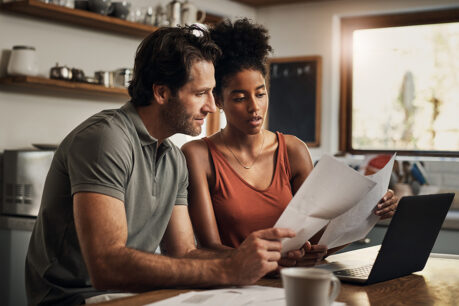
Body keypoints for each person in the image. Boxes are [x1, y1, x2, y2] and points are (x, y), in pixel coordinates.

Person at [25, 25, 296, 305]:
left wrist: (264, 259)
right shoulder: (105, 138)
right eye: (200, 93)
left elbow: (185, 253)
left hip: (137, 295)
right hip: (73, 298)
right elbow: (107, 265)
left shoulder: (173, 158)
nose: (212, 107)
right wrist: (229, 269)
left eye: (212, 93)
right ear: (162, 93)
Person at [182, 19, 399, 267]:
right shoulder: (198, 155)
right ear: (218, 100)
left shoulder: (293, 150)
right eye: (240, 98)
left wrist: (371, 212)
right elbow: (209, 247)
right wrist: (272, 260)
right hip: (234, 287)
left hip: (291, 284)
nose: (255, 107)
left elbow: (319, 237)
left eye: (261, 94)